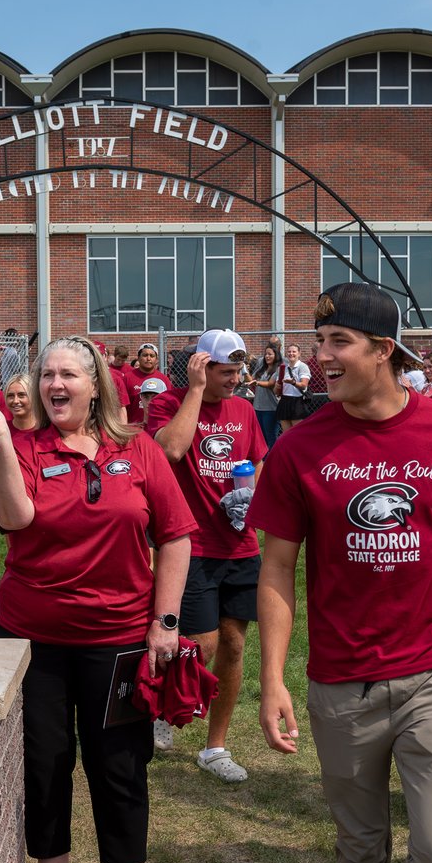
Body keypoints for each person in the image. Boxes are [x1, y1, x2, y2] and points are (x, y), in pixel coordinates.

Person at [250, 282, 432, 863]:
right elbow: (277, 569)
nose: (319, 356)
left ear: (384, 350)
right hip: (341, 686)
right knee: (361, 853)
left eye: (338, 342)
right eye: (318, 341)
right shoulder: (300, 449)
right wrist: (272, 678)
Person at [0, 336, 195, 863]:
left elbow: (175, 536)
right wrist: (6, 444)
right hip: (30, 639)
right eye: (47, 375)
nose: (55, 385)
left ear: (98, 386)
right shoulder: (26, 447)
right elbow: (15, 519)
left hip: (117, 639)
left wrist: (164, 623)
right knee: (42, 762)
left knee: (118, 764)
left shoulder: (137, 448)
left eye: (69, 374)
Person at [149, 329, 268, 782]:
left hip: (240, 542)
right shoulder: (169, 402)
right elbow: (170, 450)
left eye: (238, 371)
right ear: (202, 366)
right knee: (200, 644)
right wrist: (196, 391)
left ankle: (215, 746)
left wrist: (249, 494)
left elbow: (257, 457)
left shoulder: (242, 408)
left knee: (234, 644)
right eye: (225, 371)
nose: (235, 380)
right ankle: (165, 709)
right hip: (192, 545)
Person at [123, 343, 171, 423]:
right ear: (138, 358)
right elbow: (121, 405)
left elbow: (168, 405)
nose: (148, 358)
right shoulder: (127, 378)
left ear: (156, 359)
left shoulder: (164, 379)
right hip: (133, 427)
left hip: (157, 426)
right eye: (145, 355)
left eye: (152, 356)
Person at [246, 344, 282, 445]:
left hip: (270, 409)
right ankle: (264, 460)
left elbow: (270, 383)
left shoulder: (278, 370)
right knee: (260, 437)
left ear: (276, 355)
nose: (267, 356)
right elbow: (250, 380)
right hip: (257, 407)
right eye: (266, 354)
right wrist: (244, 369)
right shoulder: (261, 369)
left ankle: (273, 459)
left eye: (270, 354)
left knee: (270, 437)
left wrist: (257, 383)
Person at [276, 344, 311, 434]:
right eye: (289, 352)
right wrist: (277, 387)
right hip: (284, 401)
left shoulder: (303, 367)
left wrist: (293, 383)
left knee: (298, 434)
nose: (291, 354)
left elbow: (304, 385)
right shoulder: (283, 368)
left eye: (294, 351)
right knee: (286, 434)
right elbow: (276, 391)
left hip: (297, 402)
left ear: (299, 353)